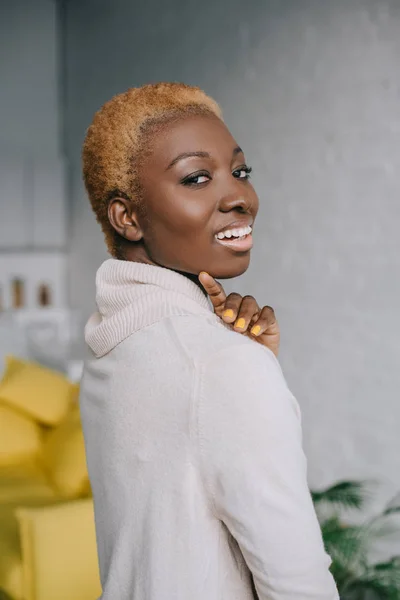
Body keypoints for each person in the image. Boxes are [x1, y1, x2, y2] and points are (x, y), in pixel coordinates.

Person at [80, 82, 339, 600]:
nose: (241, 197)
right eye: (197, 178)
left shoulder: (110, 354)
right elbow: (298, 587)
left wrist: (246, 365)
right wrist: (244, 371)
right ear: (127, 217)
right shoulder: (220, 368)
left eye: (240, 172)